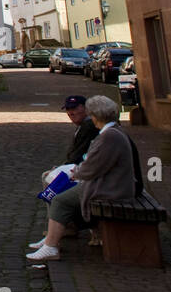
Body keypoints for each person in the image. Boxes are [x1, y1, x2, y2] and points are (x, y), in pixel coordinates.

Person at [27, 96, 134, 260]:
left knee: (60, 199)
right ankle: (51, 239)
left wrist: (74, 173)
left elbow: (92, 167)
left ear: (96, 116)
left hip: (110, 187)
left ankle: (51, 245)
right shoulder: (111, 132)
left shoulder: (108, 136)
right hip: (109, 183)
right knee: (60, 191)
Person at [61, 95, 99, 165]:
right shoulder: (82, 125)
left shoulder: (89, 127)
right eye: (67, 109)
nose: (70, 113)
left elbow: (79, 155)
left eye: (74, 108)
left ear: (86, 109)